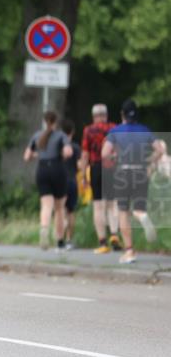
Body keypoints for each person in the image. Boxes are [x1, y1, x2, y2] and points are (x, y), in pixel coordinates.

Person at [102, 99, 164, 264]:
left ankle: (129, 251)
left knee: (123, 211)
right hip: (141, 172)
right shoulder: (145, 130)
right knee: (138, 208)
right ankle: (142, 215)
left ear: (122, 114)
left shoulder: (115, 131)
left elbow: (104, 153)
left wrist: (115, 157)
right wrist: (149, 161)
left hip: (123, 172)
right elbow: (159, 149)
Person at [23, 111, 73, 251]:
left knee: (46, 205)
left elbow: (26, 156)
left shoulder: (36, 136)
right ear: (56, 122)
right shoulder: (61, 135)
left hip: (42, 170)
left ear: (44, 122)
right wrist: (63, 154)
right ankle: (60, 240)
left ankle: (44, 230)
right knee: (59, 208)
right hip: (57, 169)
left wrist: (37, 155)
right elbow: (68, 152)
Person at [79, 103, 120, 253]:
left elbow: (85, 155)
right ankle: (114, 235)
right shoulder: (114, 128)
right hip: (111, 168)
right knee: (112, 204)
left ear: (94, 116)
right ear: (106, 115)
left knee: (98, 206)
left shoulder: (88, 130)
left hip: (96, 168)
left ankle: (102, 242)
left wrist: (83, 175)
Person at [61, 119, 82, 251]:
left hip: (60, 181)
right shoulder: (75, 147)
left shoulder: (58, 147)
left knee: (61, 210)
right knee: (71, 211)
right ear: (72, 132)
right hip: (72, 180)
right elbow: (79, 166)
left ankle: (60, 240)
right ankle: (69, 240)